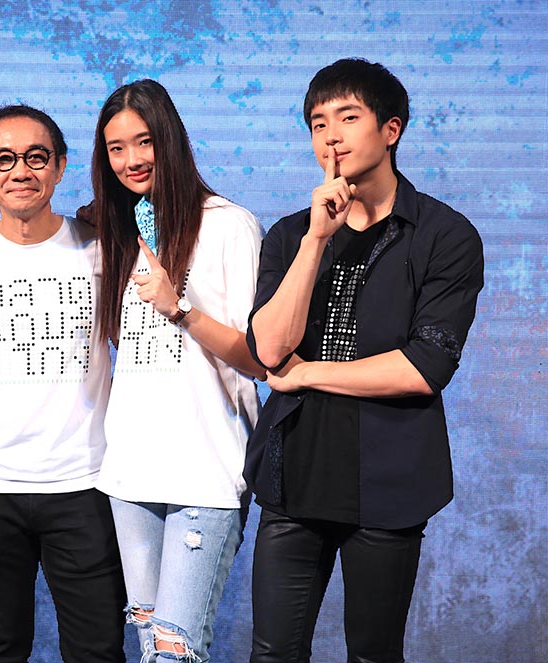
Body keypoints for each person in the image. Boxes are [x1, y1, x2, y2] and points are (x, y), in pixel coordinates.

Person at [245, 58, 484, 663]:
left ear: (391, 129)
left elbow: (423, 368)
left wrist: (305, 374)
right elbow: (268, 350)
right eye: (318, 123)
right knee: (272, 653)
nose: (331, 136)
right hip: (294, 474)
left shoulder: (445, 235)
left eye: (348, 118)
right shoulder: (290, 235)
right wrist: (316, 240)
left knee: (373, 655)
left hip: (389, 482)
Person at [90, 79, 265, 662]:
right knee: (149, 646)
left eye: (144, 142)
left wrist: (180, 309)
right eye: (116, 148)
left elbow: (258, 359)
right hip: (131, 473)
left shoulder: (229, 224)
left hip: (204, 470)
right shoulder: (122, 231)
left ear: (171, 139)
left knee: (175, 652)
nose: (131, 160)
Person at [0, 105, 126, 663]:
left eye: (36, 157)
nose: (20, 171)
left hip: (84, 483)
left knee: (97, 651)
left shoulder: (101, 248)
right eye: (3, 159)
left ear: (60, 166)